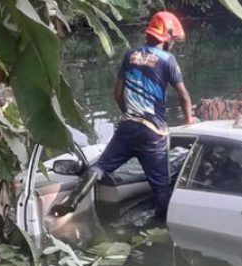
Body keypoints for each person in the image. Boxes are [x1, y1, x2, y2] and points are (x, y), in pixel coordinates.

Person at [51, 11, 194, 220]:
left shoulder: (130, 55)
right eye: (173, 39)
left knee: (99, 167)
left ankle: (72, 201)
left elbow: (118, 94)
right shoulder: (167, 59)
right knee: (161, 187)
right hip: (153, 132)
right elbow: (184, 96)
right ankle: (159, 229)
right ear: (167, 37)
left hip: (127, 127)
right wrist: (189, 121)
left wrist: (129, 116)